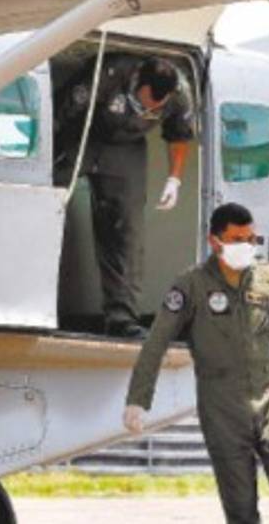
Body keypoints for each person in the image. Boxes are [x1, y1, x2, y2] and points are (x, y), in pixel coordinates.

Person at [123, 203, 269, 524]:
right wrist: (138, 399)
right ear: (215, 242)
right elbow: (156, 343)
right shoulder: (191, 286)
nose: (246, 246)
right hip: (222, 410)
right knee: (241, 511)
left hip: (268, 402)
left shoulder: (268, 278)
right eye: (237, 239)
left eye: (251, 239)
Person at [56, 54, 194, 338]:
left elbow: (179, 136)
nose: (148, 110)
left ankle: (121, 318)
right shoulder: (109, 74)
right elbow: (62, 113)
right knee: (45, 206)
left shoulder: (180, 94)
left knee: (126, 230)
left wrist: (174, 179)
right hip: (82, 131)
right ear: (137, 81)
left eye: (155, 108)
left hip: (125, 147)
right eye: (144, 103)